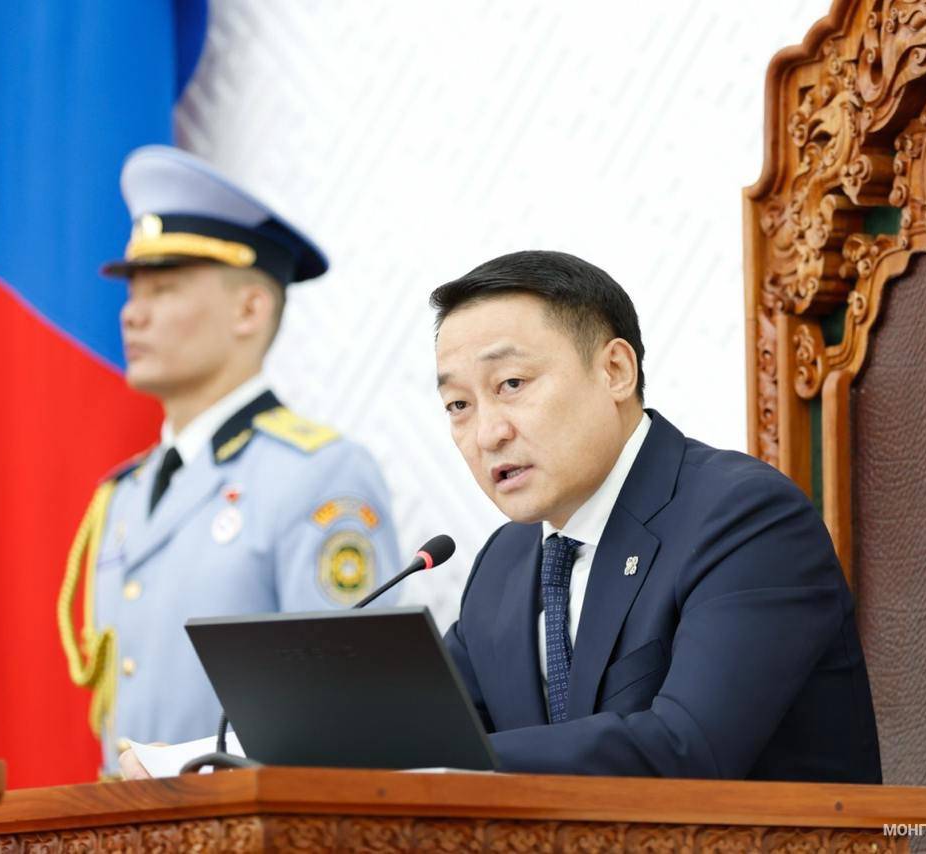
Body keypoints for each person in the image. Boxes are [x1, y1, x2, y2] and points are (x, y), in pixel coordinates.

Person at [119, 249, 879, 782]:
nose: (486, 433)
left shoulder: (744, 519)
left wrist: (435, 759)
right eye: (458, 405)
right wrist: (211, 758)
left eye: (512, 384)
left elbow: (687, 750)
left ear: (616, 370)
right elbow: (405, 722)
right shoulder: (506, 564)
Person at [59, 146, 399, 777]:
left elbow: (351, 715)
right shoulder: (125, 494)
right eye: (133, 291)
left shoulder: (318, 475)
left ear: (250, 309)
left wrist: (182, 769)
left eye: (164, 289)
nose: (132, 313)